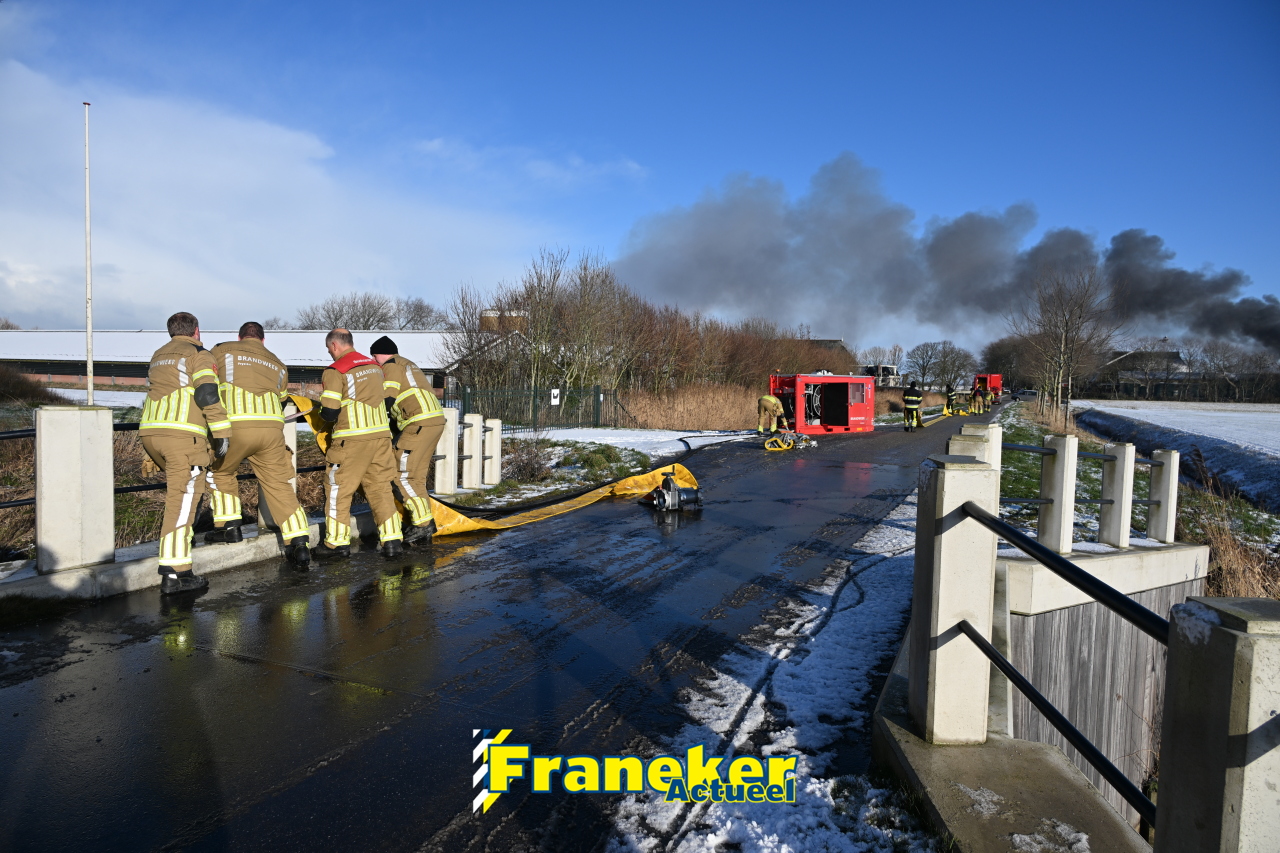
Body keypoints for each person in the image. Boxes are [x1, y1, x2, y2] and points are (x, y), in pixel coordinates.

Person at [205, 322, 312, 568]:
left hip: (234, 427)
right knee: (278, 484)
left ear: (240, 337)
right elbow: (282, 400)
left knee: (221, 471)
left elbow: (205, 385)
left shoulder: (221, 351)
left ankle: (229, 527)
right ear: (263, 340)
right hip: (271, 431)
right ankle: (299, 542)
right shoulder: (278, 363)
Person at [139, 312, 232, 594]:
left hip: (152, 433)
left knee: (183, 497)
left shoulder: (158, 355)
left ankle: (178, 554)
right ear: (196, 331)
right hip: (181, 436)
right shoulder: (198, 354)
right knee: (181, 502)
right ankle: (175, 573)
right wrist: (222, 431)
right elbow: (206, 393)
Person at [313, 328, 403, 560]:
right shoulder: (375, 367)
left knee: (338, 490)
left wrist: (319, 410)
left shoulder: (336, 370)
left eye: (328, 349)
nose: (329, 353)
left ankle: (336, 544)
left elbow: (330, 411)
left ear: (334, 345)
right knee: (381, 489)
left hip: (352, 440)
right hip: (380, 438)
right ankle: (392, 541)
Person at [369, 335, 445, 545]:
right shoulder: (408, 364)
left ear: (382, 354)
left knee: (400, 475)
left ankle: (423, 524)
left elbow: (387, 398)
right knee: (416, 477)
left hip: (417, 423)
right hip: (432, 422)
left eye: (374, 356)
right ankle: (422, 524)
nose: (374, 361)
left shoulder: (391, 365)